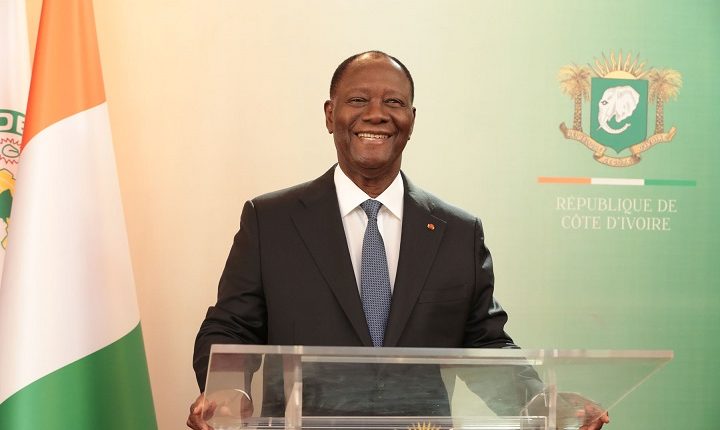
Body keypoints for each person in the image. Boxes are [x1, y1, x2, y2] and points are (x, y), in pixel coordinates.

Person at [187, 51, 609, 430]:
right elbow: (231, 327)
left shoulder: (458, 233)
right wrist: (227, 391)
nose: (376, 114)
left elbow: (484, 342)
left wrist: (539, 402)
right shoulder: (271, 221)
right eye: (358, 100)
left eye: (393, 102)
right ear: (330, 115)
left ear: (411, 119)